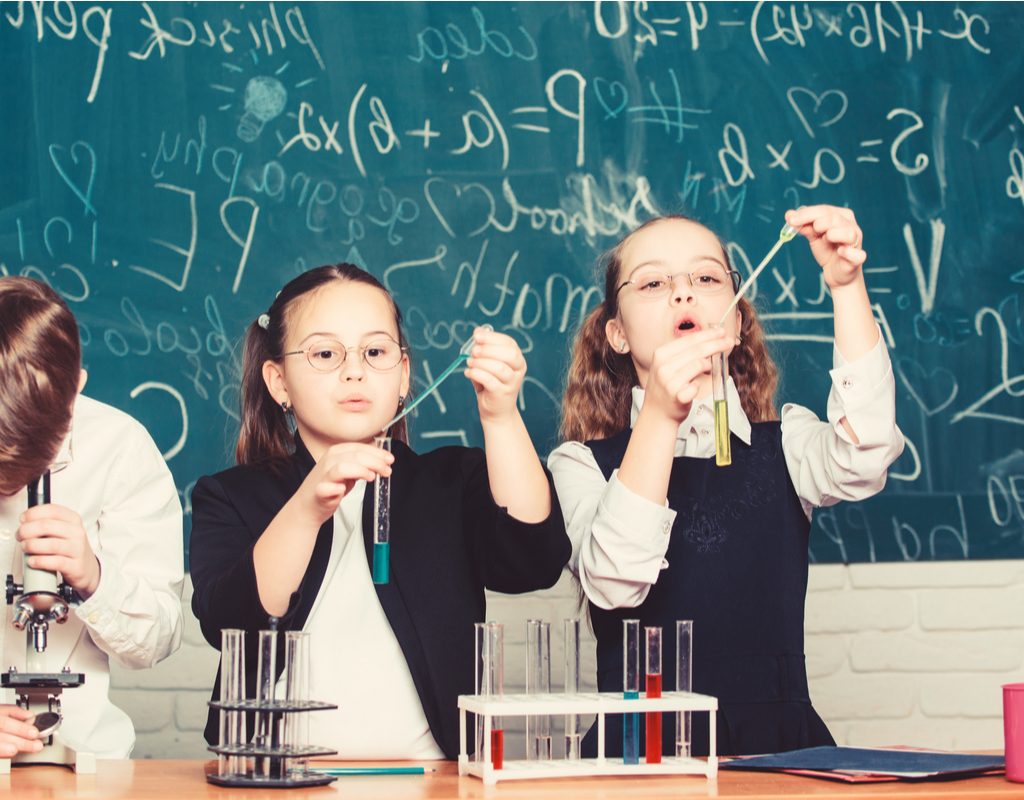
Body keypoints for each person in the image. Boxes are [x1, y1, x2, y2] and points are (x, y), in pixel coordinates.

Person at [550, 206, 904, 756]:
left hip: (780, 753)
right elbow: (616, 581)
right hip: (636, 759)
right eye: (653, 283)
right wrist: (662, 416)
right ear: (616, 334)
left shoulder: (786, 441)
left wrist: (847, 285)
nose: (684, 294)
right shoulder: (579, 463)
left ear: (736, 322)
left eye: (707, 277)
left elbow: (867, 455)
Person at [189, 263, 570, 759]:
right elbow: (228, 626)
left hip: (432, 784)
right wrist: (306, 508)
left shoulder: (451, 481)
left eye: (375, 351)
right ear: (278, 382)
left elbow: (532, 562)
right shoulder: (230, 495)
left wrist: (500, 414)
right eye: (325, 353)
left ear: (404, 374)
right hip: (268, 778)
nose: (355, 370)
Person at [0, 277, 184, 759]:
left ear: (76, 389)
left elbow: (157, 640)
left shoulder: (120, 448)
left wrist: (94, 577)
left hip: (90, 759)